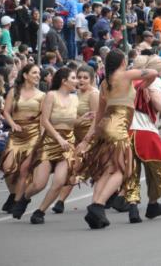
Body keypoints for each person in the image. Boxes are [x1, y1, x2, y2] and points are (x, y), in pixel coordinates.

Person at [75, 48, 158, 229]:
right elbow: (154, 72)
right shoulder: (126, 75)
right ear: (122, 62)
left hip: (105, 125)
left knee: (107, 170)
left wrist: (87, 139)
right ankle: (98, 206)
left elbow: (99, 115)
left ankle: (96, 207)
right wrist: (144, 84)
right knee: (122, 170)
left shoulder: (104, 83)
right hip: (118, 127)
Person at [121, 55, 161, 223]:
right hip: (145, 133)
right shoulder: (155, 83)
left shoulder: (129, 83)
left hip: (127, 131)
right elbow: (154, 99)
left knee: (131, 172)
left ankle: (133, 207)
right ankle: (153, 204)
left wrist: (159, 125)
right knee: (157, 173)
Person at [19, 67, 78, 224]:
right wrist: (59, 138)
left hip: (67, 144)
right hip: (50, 142)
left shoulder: (75, 99)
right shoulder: (51, 95)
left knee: (59, 182)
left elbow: (72, 122)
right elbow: (44, 120)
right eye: (74, 77)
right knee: (39, 184)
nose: (76, 81)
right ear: (64, 81)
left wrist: (85, 119)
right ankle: (25, 198)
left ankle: (40, 211)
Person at [0, 63, 45, 218]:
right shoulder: (13, 92)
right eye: (34, 72)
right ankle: (13, 194)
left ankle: (17, 202)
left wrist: (42, 139)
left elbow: (44, 119)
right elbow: (6, 112)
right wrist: (12, 124)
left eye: (39, 73)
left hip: (34, 135)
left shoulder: (42, 95)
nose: (38, 75)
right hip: (16, 134)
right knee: (8, 167)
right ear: (25, 75)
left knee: (24, 169)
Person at [53, 64, 99, 214]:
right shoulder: (75, 94)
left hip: (91, 138)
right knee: (75, 168)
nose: (81, 80)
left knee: (79, 167)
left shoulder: (94, 94)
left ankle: (60, 201)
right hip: (75, 136)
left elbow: (96, 120)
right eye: (79, 77)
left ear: (92, 79)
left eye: (85, 78)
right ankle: (60, 201)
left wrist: (87, 140)